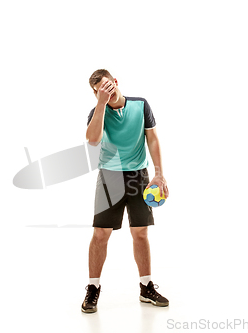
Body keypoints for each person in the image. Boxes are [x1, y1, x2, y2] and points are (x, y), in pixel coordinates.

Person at [81, 69, 169, 313]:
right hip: (109, 177)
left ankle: (146, 287)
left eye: (108, 85)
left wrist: (159, 174)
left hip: (138, 176)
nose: (107, 91)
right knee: (101, 234)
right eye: (100, 90)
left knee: (140, 233)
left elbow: (152, 138)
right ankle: (92, 288)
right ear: (96, 94)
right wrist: (101, 105)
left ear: (116, 81)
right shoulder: (97, 112)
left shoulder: (141, 106)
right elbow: (93, 140)